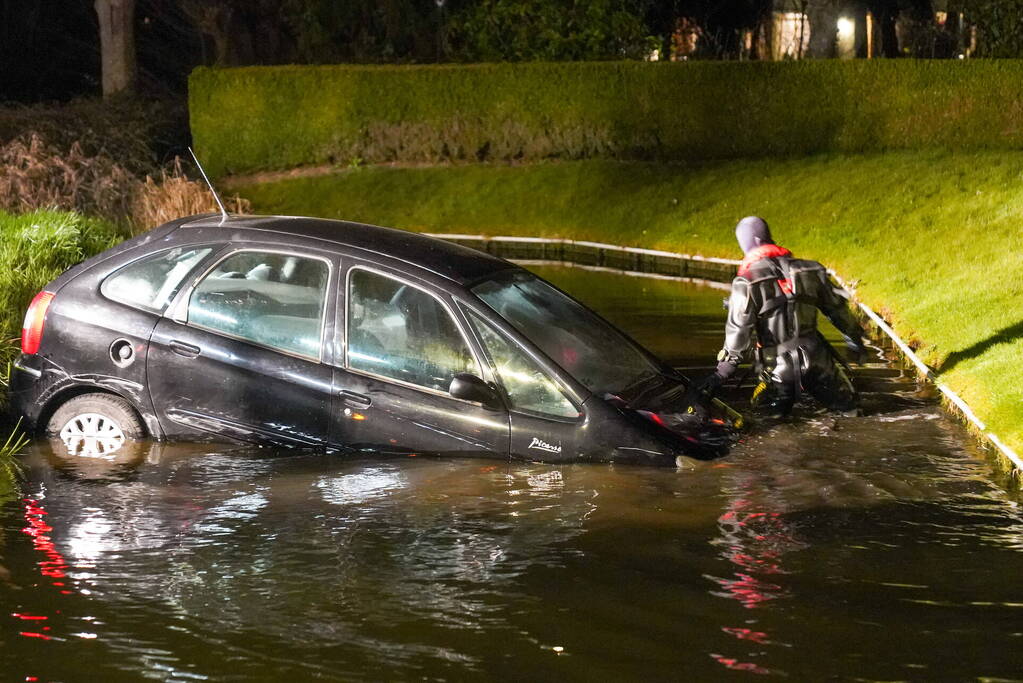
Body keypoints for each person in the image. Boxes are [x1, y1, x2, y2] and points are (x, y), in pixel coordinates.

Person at [695, 216, 868, 417]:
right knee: (851, 411)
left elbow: (738, 330)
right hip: (819, 361)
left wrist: (722, 372)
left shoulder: (746, 282)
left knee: (767, 424)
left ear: (755, 242)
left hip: (777, 368)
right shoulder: (811, 269)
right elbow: (838, 310)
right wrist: (855, 340)